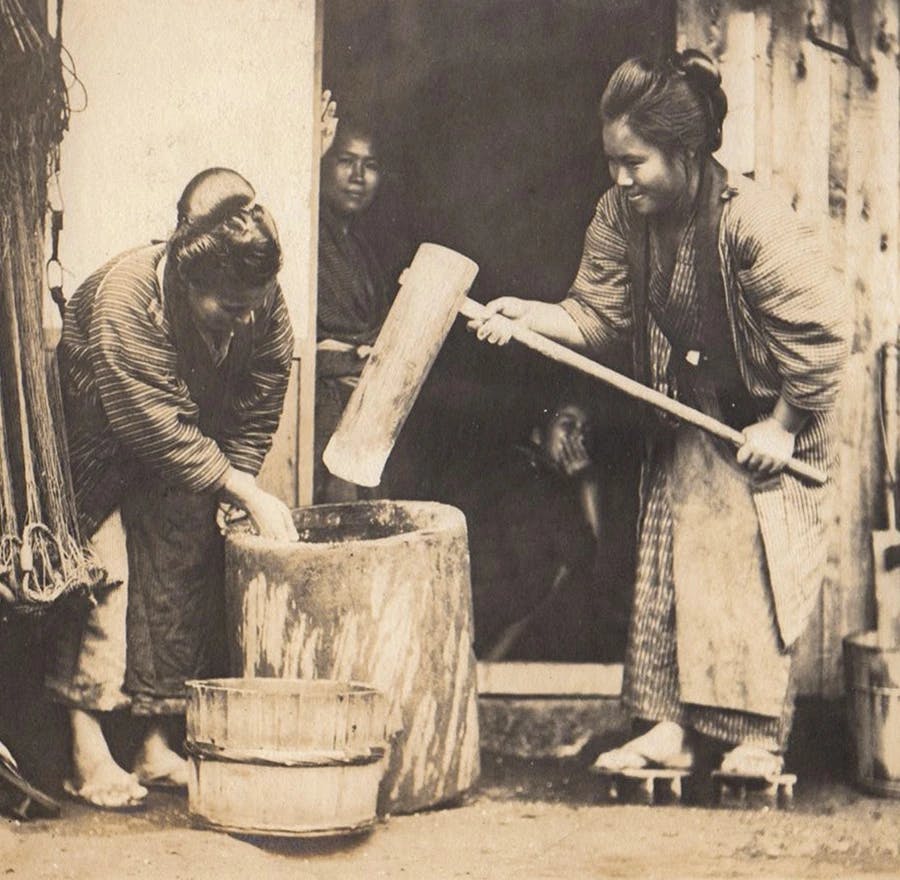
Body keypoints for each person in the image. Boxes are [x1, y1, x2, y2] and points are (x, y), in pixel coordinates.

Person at [469, 50, 850, 778]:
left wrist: (782, 426)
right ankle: (668, 728)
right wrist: (530, 317)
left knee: (749, 568)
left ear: (686, 153)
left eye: (635, 162)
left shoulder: (754, 223)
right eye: (611, 160)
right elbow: (596, 315)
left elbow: (826, 334)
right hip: (693, 414)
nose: (619, 177)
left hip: (775, 418)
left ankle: (754, 738)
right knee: (669, 560)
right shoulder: (620, 216)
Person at [46, 168, 298, 808]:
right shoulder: (125, 298)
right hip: (92, 453)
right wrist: (242, 488)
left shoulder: (256, 296)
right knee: (102, 581)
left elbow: (264, 386)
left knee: (184, 573)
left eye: (253, 305)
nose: (246, 319)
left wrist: (236, 479)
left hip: (185, 459)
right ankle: (84, 753)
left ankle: (155, 744)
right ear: (188, 280)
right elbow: (152, 422)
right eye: (230, 308)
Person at [315, 103, 412, 502]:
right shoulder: (309, 234)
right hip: (320, 413)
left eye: (370, 165)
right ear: (322, 162)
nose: (358, 176)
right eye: (345, 161)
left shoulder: (361, 248)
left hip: (361, 411)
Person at [469, 398, 608, 662]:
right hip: (500, 627)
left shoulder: (548, 479)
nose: (578, 439)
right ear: (538, 433)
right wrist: (586, 483)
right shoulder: (526, 476)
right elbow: (585, 559)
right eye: (568, 425)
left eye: (585, 431)